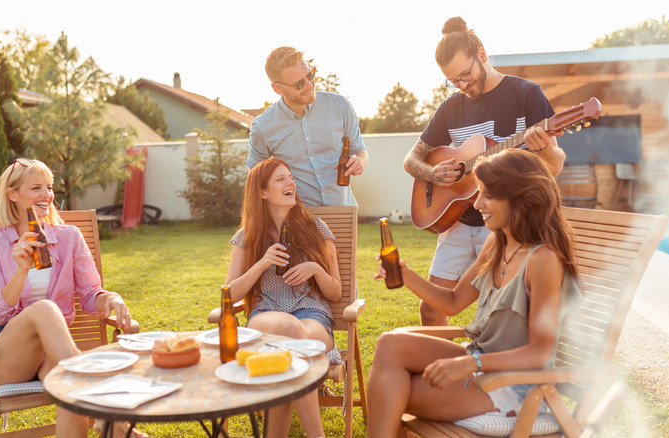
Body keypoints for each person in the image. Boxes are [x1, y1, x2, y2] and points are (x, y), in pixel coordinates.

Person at [366, 148, 582, 437]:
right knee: (390, 343)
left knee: (390, 389)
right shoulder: (498, 243)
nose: (477, 203)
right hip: (480, 361)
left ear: (521, 198)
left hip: (510, 385)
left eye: (487, 195)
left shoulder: (543, 260)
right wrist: (406, 276)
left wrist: (471, 363)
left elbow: (540, 352)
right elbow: (453, 302)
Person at [403, 17, 567, 326]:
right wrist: (432, 174)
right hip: (460, 221)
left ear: (482, 54)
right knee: (430, 310)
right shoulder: (451, 107)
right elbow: (411, 159)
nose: (463, 85)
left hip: (510, 225)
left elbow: (554, 167)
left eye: (466, 74)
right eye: (454, 81)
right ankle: (445, 371)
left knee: (501, 318)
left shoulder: (526, 94)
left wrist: (542, 148)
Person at [0, 158, 143, 438]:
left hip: (52, 354)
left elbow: (91, 295)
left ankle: (107, 423)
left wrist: (111, 298)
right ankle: (110, 416)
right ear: (13, 195)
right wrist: (21, 270)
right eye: (36, 188)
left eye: (50, 187)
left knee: (69, 386)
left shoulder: (69, 238)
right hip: (8, 357)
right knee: (44, 309)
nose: (47, 194)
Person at [225, 158, 342, 437]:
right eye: (280, 179)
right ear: (262, 192)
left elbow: (335, 293)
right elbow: (229, 294)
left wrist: (315, 269)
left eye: (290, 178)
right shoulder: (248, 236)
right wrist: (262, 263)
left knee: (291, 342)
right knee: (291, 333)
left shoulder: (317, 229)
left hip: (312, 314)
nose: (290, 183)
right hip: (267, 314)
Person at [248, 46, 368, 207]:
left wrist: (359, 161)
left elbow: (360, 150)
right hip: (298, 219)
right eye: (299, 84)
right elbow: (255, 178)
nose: (309, 86)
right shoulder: (263, 127)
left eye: (310, 75)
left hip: (343, 210)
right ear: (277, 88)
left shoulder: (340, 106)